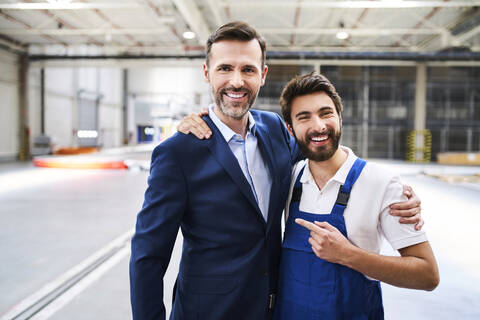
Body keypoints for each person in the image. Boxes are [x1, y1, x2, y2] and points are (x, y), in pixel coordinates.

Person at [130, 21, 422, 320]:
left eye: (248, 69)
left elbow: (322, 148)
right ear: (207, 73)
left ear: (263, 75)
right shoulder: (178, 152)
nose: (236, 81)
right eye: (224, 68)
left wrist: (388, 189)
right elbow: (148, 255)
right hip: (208, 311)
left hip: (274, 307)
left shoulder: (274, 130)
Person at [273, 73, 439, 319]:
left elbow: (427, 275)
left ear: (340, 117)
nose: (318, 126)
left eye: (326, 113)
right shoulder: (289, 177)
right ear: (290, 128)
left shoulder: (381, 182)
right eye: (304, 117)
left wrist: (349, 255)